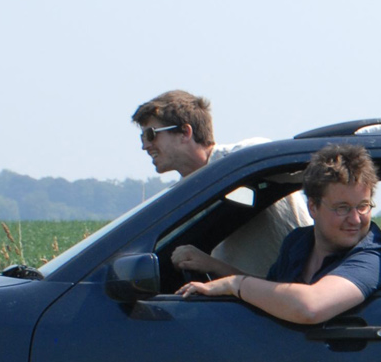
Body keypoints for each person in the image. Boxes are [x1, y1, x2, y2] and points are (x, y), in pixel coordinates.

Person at [174, 144, 381, 326]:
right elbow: (274, 292)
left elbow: (310, 306)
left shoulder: (372, 255)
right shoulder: (298, 241)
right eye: (342, 208)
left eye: (363, 206)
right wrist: (213, 267)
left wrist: (234, 285)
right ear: (313, 207)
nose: (355, 219)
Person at [133, 89, 311, 276]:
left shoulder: (248, 157)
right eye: (143, 137)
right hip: (246, 300)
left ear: (185, 132)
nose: (145, 145)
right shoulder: (184, 197)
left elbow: (318, 173)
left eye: (151, 134)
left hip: (297, 291)